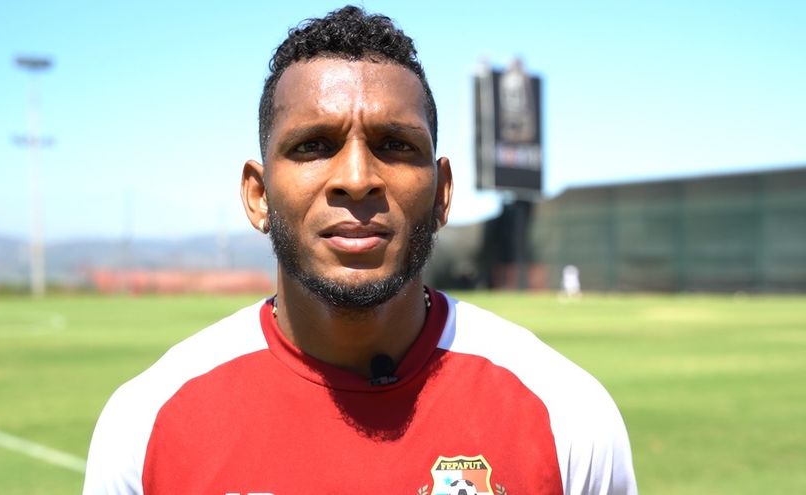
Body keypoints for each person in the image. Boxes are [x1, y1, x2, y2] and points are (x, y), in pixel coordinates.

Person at [83, 6, 637, 495]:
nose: (355, 178)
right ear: (258, 195)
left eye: (395, 144)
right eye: (313, 146)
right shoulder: (148, 423)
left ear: (442, 194)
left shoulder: (565, 413)